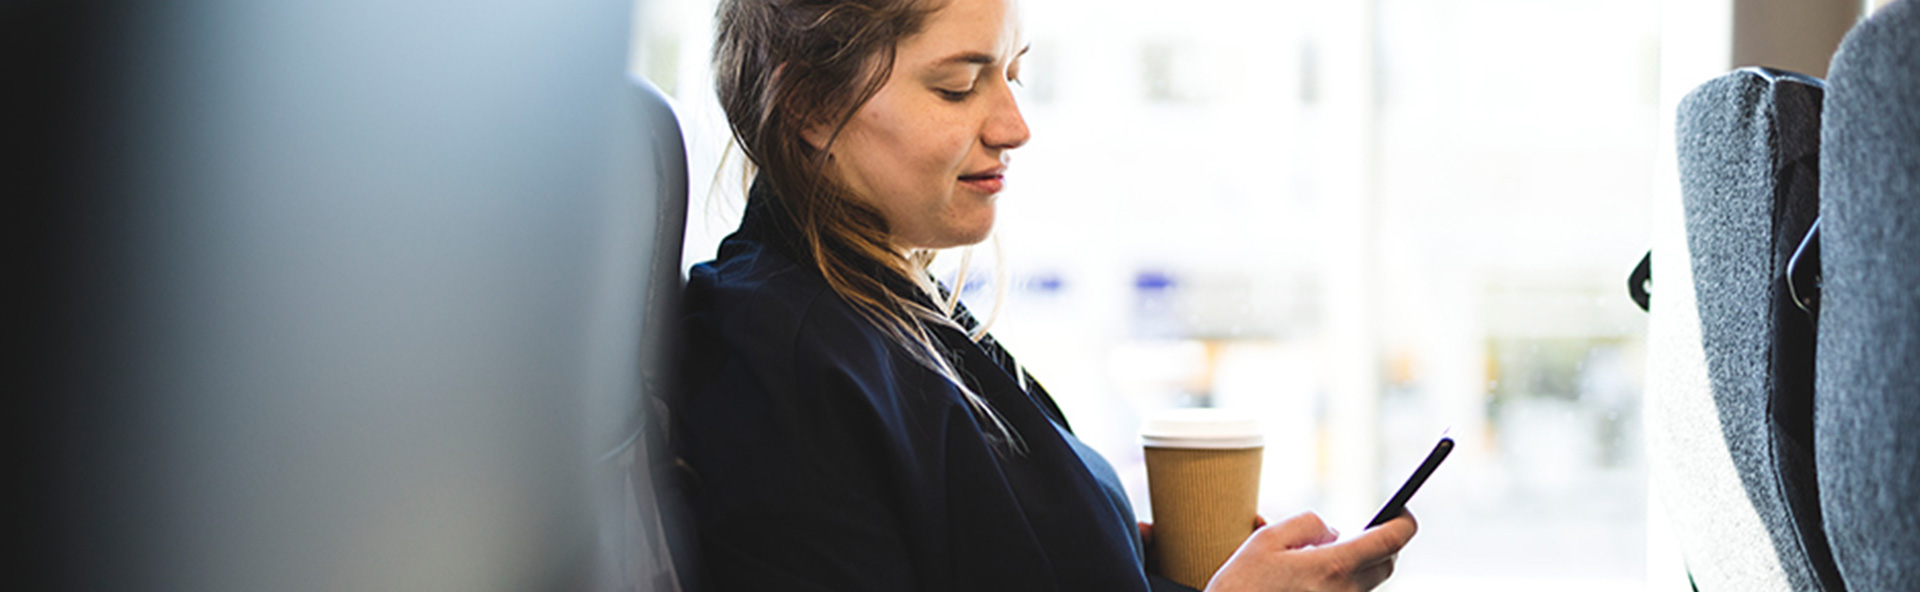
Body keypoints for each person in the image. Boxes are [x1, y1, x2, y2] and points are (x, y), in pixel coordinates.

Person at [671, 0, 1418, 589]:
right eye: (957, 87)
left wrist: (1126, 557)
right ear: (808, 104)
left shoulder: (886, 311)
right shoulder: (782, 362)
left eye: (1013, 76)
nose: (1014, 126)